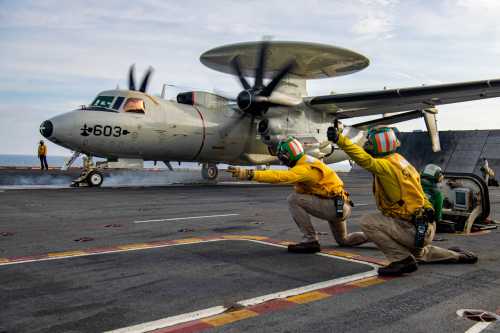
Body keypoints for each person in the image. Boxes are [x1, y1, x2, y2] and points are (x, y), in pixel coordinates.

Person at [327, 125, 478, 276]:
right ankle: (456, 255)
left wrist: (340, 139)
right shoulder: (401, 162)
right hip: (424, 228)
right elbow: (418, 190)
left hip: (411, 228)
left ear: (379, 145)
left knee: (368, 222)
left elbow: (364, 160)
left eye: (370, 143)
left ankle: (401, 260)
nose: (367, 145)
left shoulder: (385, 166)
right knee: (419, 254)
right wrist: (427, 207)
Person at [227, 136, 367, 253]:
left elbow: (280, 176)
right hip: (341, 205)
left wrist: (250, 174)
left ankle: (310, 240)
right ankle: (377, 236)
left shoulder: (303, 168)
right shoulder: (308, 161)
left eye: (282, 155)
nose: (282, 159)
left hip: (334, 205)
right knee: (344, 240)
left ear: (288, 155)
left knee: (293, 200)